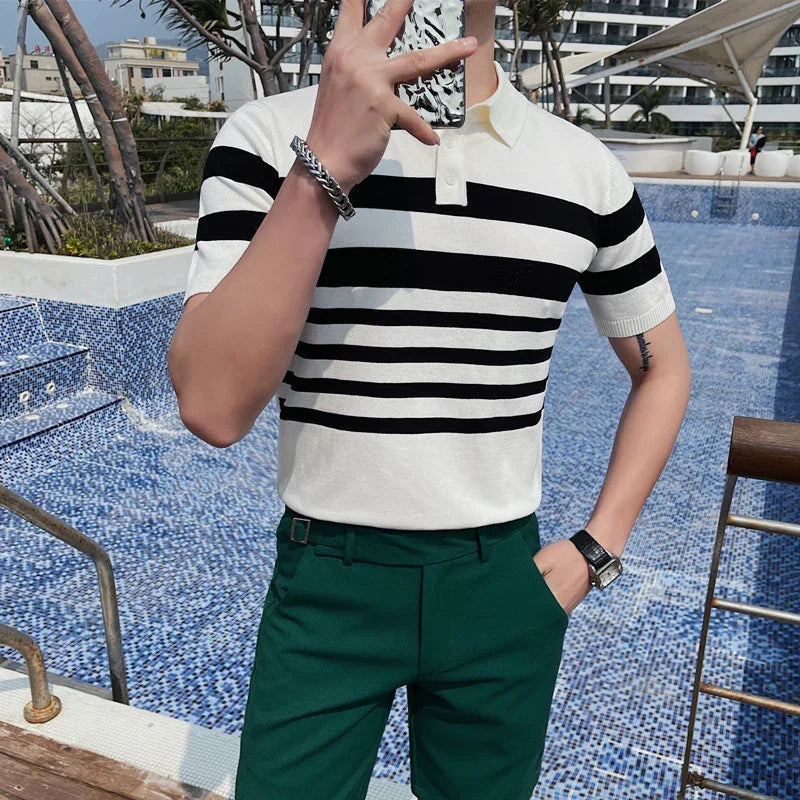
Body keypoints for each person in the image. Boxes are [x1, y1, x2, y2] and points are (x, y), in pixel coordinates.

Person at [167, 0, 692, 797]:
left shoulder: (582, 169)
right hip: (328, 583)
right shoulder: (268, 139)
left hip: (502, 585)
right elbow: (211, 404)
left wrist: (598, 550)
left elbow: (664, 367)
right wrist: (327, 167)